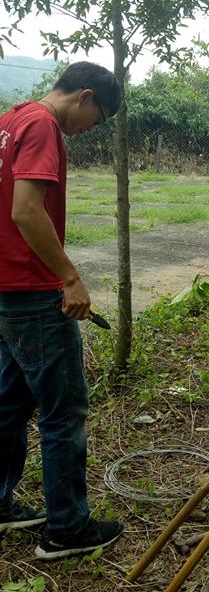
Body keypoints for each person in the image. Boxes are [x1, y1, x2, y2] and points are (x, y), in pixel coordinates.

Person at [0, 61, 124, 560]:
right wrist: (70, 278)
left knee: (8, 403)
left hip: (6, 289)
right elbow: (25, 210)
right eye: (98, 117)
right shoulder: (43, 126)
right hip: (32, 291)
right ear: (85, 96)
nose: (90, 128)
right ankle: (68, 527)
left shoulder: (11, 120)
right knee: (63, 409)